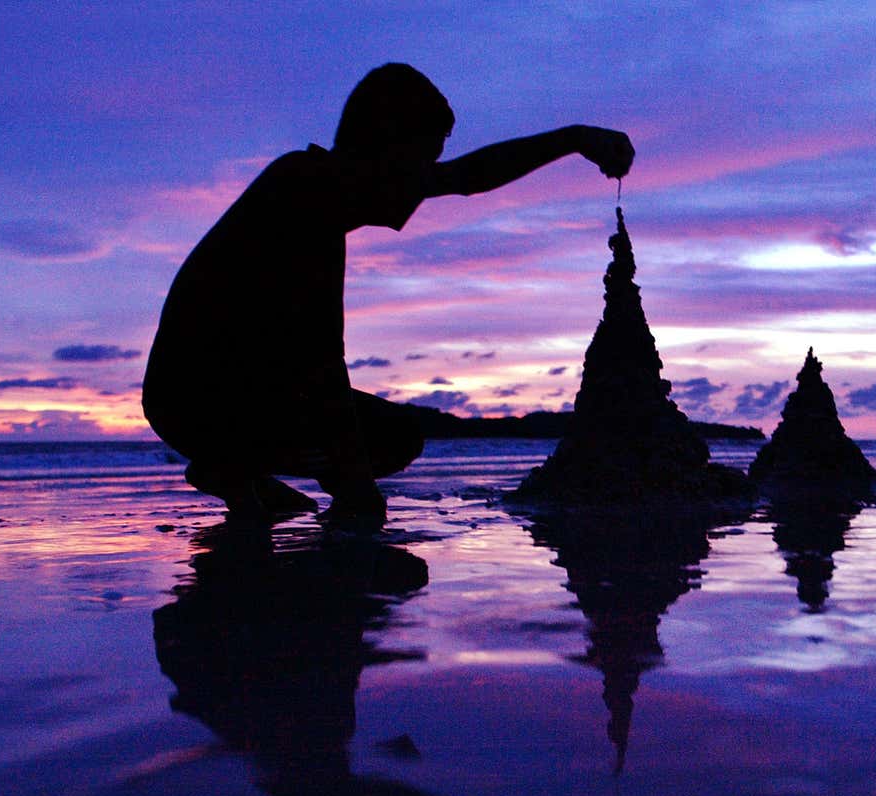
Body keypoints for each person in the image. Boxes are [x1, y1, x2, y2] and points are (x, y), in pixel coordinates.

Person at [143, 63, 634, 525]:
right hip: (194, 397)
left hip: (232, 389)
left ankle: (234, 469)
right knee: (373, 447)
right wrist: (359, 492)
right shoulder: (304, 195)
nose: (423, 184)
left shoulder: (325, 184)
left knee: (395, 435)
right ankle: (232, 464)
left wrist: (575, 140)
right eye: (423, 159)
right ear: (387, 146)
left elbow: (467, 178)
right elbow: (321, 361)